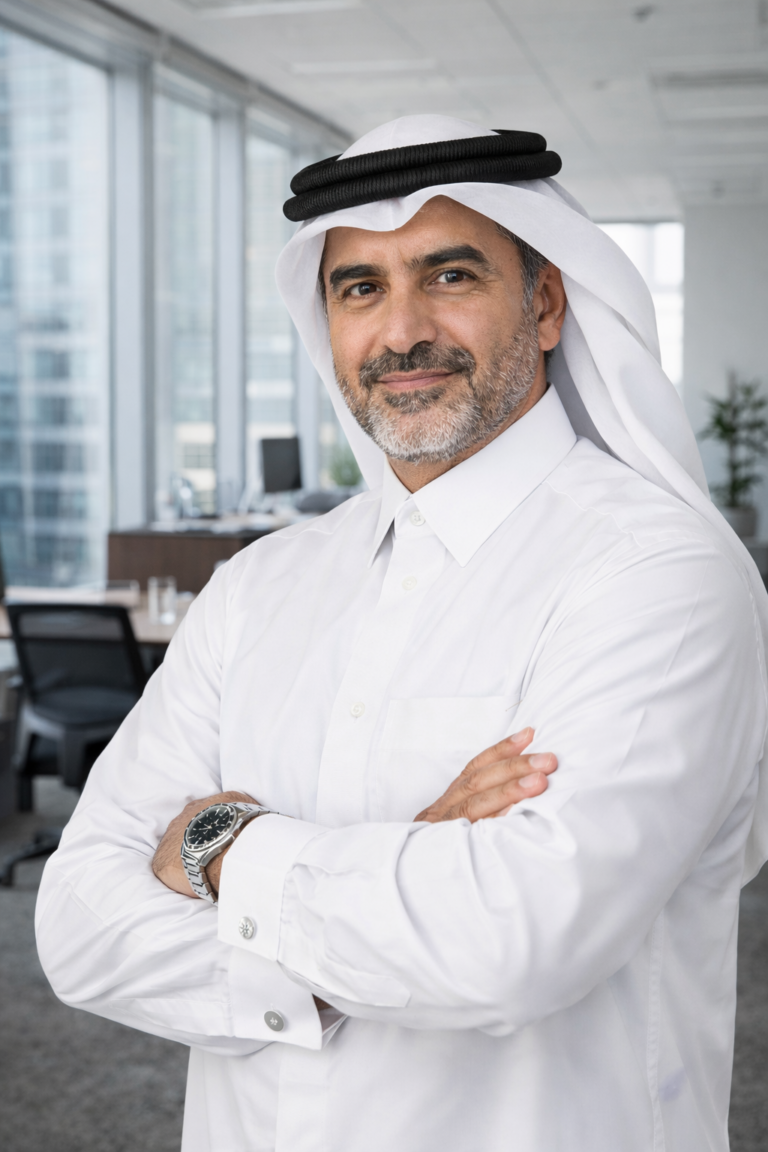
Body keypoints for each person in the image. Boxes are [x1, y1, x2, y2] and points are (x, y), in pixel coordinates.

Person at [36, 116, 768, 1152]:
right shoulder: (258, 587)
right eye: (360, 288)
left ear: (546, 304)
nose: (401, 332)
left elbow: (515, 939)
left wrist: (219, 848)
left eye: (451, 275)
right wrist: (411, 866)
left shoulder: (657, 574)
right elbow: (77, 927)